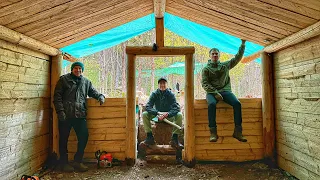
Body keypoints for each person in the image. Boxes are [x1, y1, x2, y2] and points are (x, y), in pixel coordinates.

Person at [54, 62, 105, 172]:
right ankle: (64, 163)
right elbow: (57, 97)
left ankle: (78, 161)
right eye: (76, 68)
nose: (78, 70)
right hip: (65, 115)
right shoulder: (63, 80)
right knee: (63, 139)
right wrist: (61, 112)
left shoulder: (86, 82)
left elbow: (93, 92)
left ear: (82, 70)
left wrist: (100, 96)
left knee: (84, 136)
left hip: (80, 115)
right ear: (72, 69)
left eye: (80, 69)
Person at [201, 39, 247, 142]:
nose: (215, 55)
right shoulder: (206, 69)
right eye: (213, 54)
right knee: (211, 104)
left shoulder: (225, 66)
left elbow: (237, 58)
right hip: (212, 93)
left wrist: (243, 44)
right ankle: (213, 132)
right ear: (210, 56)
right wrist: (215, 93)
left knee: (237, 104)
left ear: (219, 55)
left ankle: (238, 132)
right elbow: (204, 84)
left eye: (216, 54)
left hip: (225, 91)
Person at [142, 77, 183, 149]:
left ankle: (175, 139)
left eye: (164, 83)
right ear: (158, 85)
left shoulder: (171, 94)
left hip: (168, 118)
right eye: (161, 83)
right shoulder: (154, 94)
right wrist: (157, 113)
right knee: (144, 114)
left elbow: (176, 108)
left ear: (166, 84)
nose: (162, 85)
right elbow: (148, 106)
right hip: (157, 118)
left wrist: (167, 114)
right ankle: (149, 137)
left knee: (179, 115)